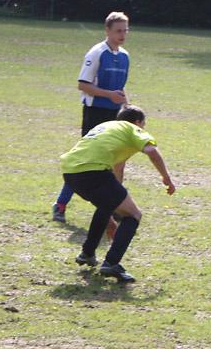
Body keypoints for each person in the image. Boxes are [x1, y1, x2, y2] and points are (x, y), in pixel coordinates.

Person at [61, 105, 176, 283]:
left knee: (106, 205)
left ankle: (87, 253)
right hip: (93, 171)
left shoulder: (107, 127)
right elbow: (151, 151)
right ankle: (111, 263)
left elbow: (118, 167)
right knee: (133, 215)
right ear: (138, 122)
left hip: (70, 171)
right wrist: (166, 178)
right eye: (143, 124)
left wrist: (117, 197)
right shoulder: (132, 129)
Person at [52, 11, 131, 224]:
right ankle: (60, 204)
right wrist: (109, 95)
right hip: (95, 112)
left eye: (125, 31)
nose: (122, 35)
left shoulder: (125, 55)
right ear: (107, 30)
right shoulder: (97, 53)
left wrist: (126, 105)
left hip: (115, 115)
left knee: (118, 162)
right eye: (118, 31)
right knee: (87, 162)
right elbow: (83, 85)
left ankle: (115, 208)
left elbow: (120, 87)